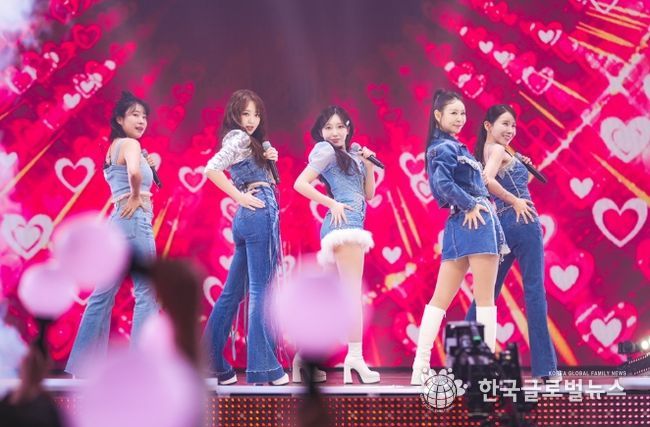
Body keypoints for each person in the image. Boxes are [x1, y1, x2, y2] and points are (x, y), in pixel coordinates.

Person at [411, 90, 509, 385]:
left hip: (458, 225)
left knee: (440, 299)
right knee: (485, 300)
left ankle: (420, 367)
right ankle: (485, 369)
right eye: (453, 112)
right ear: (437, 115)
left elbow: (447, 185)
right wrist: (470, 204)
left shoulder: (448, 146)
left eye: (463, 113)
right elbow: (442, 184)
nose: (460, 118)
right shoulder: (445, 148)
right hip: (476, 223)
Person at [65, 91, 158, 377]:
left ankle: (83, 365)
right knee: (147, 291)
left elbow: (134, 171)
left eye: (144, 116)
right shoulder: (130, 144)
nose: (141, 121)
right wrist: (136, 195)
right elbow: (134, 174)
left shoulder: (114, 147)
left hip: (117, 222)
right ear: (119, 119)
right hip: (135, 221)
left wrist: (149, 166)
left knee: (102, 294)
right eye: (134, 115)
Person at [202, 89, 288, 385]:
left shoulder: (249, 142)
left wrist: (268, 158)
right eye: (245, 113)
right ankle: (263, 368)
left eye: (256, 114)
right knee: (261, 290)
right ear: (234, 115)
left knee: (233, 293)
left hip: (248, 216)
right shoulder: (238, 137)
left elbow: (266, 178)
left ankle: (211, 361)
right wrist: (239, 196)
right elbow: (212, 168)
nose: (251, 120)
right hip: (257, 210)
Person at [466, 104, 558, 379]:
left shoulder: (491, 151)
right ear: (488, 125)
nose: (510, 130)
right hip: (524, 222)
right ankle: (545, 368)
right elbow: (487, 181)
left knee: (487, 292)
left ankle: (462, 357)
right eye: (505, 124)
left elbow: (508, 182)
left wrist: (522, 169)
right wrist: (515, 200)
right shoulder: (496, 150)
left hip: (503, 225)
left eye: (513, 126)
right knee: (534, 292)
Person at [293, 106, 380, 384]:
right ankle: (355, 359)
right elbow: (300, 183)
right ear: (321, 132)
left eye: (340, 126)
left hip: (348, 225)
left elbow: (368, 194)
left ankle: (303, 358)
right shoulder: (326, 152)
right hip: (345, 226)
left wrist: (368, 164)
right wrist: (331, 203)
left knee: (330, 299)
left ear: (348, 128)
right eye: (328, 127)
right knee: (351, 297)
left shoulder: (352, 153)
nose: (334, 132)